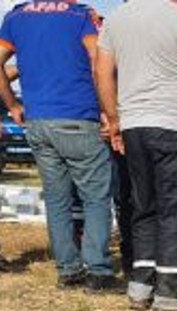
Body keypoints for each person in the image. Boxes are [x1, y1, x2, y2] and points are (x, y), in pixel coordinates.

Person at [96, 0, 177, 311]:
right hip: (176, 124)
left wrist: (114, 120)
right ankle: (171, 297)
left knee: (144, 207)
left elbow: (102, 72)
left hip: (134, 126)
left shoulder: (116, 18)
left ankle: (141, 289)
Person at [0, 0, 117, 292]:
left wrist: (13, 105)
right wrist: (108, 110)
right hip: (79, 115)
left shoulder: (17, 16)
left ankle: (68, 270)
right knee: (96, 197)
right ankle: (98, 271)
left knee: (57, 199)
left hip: (38, 120)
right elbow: (96, 59)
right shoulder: (81, 15)